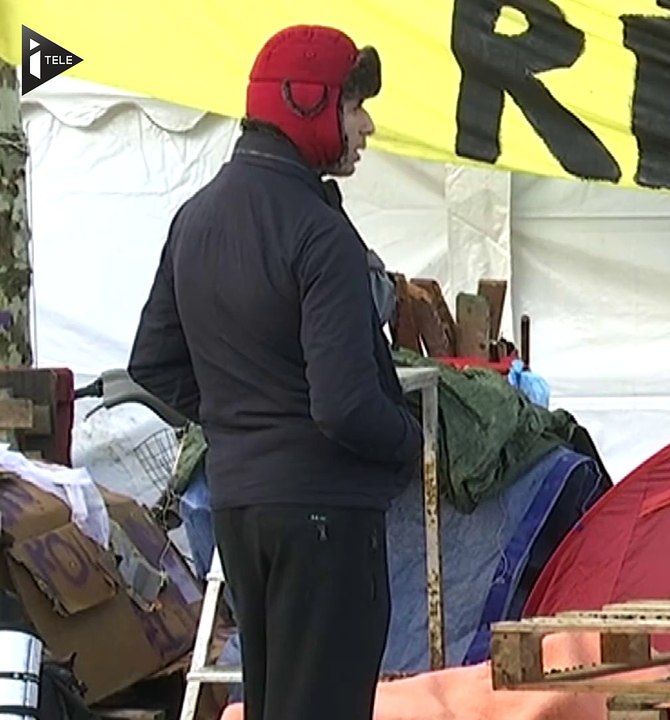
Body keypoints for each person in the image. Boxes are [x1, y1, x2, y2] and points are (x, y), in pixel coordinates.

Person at [127, 25, 422, 720]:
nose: (367, 127)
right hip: (325, 517)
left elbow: (153, 363)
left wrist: (242, 422)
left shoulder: (195, 219)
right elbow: (344, 405)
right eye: (355, 106)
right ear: (309, 102)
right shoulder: (320, 232)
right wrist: (412, 442)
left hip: (239, 510)